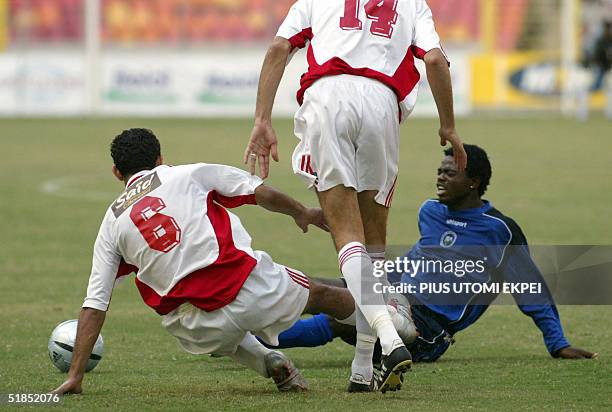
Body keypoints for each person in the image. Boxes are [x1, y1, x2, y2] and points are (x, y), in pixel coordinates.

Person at [243, 0, 467, 392]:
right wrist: (448, 126)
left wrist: (262, 119)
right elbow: (434, 60)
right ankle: (363, 368)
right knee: (373, 243)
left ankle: (389, 339)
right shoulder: (414, 4)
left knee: (346, 235)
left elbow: (280, 48)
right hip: (382, 103)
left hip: (327, 97)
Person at [51, 128, 367, 395]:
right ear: (160, 159)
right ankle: (390, 325)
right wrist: (302, 212)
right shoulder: (187, 174)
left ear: (117, 173)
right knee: (319, 293)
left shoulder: (111, 224)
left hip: (194, 328)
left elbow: (95, 304)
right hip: (244, 286)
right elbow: (258, 192)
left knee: (221, 333)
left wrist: (75, 375)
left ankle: (268, 361)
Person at [267, 144, 597, 363]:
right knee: (316, 287)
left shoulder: (500, 230)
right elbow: (419, 261)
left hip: (429, 330)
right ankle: (249, 319)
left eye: (449, 172)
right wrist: (371, 279)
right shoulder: (430, 211)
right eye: (440, 171)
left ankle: (261, 344)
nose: (440, 176)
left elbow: (530, 289)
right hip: (397, 295)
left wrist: (558, 343)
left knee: (342, 316)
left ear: (473, 182)